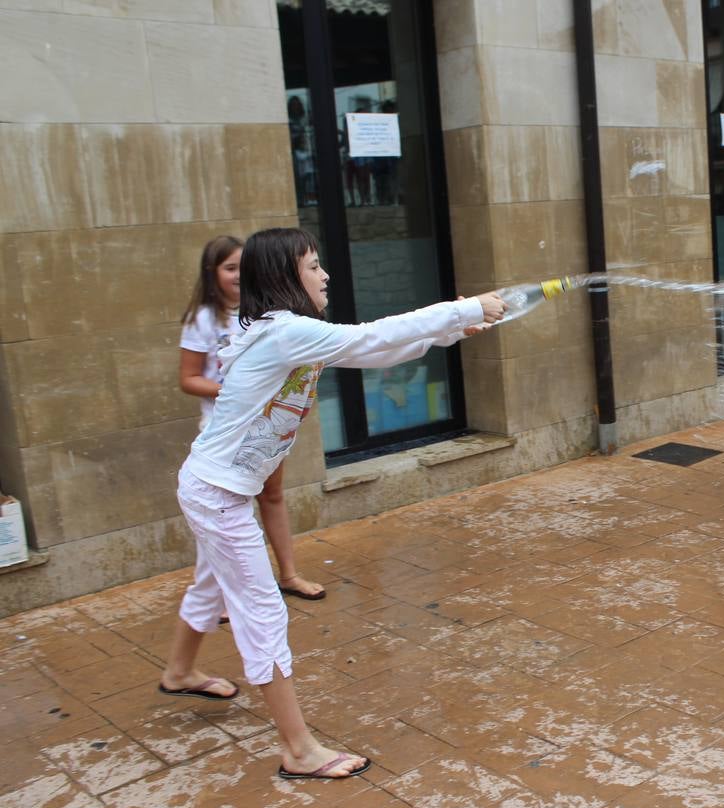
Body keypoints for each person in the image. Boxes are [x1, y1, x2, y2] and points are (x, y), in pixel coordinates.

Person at [160, 227, 505, 779]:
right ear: (284, 277)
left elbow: (377, 352)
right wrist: (460, 307)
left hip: (219, 491)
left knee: (215, 582)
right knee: (261, 611)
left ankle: (179, 671)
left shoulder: (293, 334)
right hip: (217, 495)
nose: (326, 275)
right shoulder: (283, 333)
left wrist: (456, 328)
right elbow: (373, 335)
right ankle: (298, 751)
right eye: (315, 266)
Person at [180, 236, 327, 607]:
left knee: (273, 496)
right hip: (225, 434)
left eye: (244, 267)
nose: (239, 275)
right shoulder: (202, 319)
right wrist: (236, 393)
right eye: (230, 268)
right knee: (225, 513)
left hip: (267, 430)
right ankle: (220, 598)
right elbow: (189, 378)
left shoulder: (267, 314)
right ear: (211, 273)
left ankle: (289, 573)